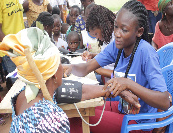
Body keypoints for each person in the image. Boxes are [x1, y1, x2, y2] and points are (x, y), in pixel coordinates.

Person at [63, 0, 170, 132]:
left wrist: (128, 84)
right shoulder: (118, 46)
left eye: (124, 30)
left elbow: (165, 101)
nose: (117, 34)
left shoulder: (146, 52)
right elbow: (86, 68)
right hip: (123, 108)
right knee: (78, 110)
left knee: (79, 119)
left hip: (140, 121)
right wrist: (68, 67)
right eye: (116, 27)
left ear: (139, 31)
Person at [0, 27, 116, 132]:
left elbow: (80, 90)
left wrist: (111, 89)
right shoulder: (53, 120)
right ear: (54, 74)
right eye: (60, 63)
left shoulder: (25, 94)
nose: (63, 67)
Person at [0, 0, 25, 90]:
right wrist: (14, 50)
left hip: (22, 47)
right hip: (10, 51)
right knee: (18, 86)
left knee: (27, 82)